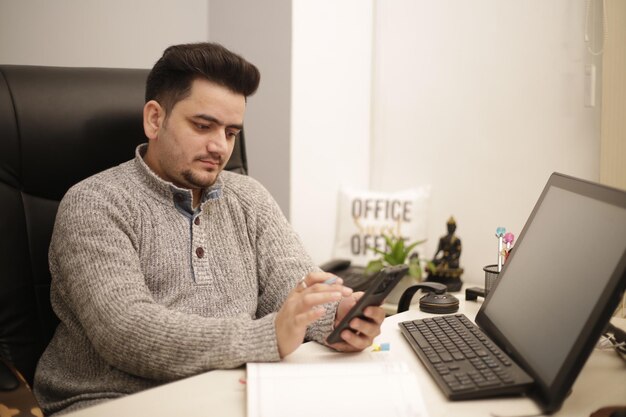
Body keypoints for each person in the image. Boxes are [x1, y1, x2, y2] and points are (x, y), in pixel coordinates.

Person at [34, 42, 385, 415]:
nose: (220, 147)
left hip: (230, 387)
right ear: (155, 119)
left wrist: (337, 316)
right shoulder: (95, 203)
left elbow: (293, 284)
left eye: (231, 132)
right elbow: (125, 332)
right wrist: (268, 336)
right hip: (115, 400)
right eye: (203, 126)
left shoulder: (248, 196)